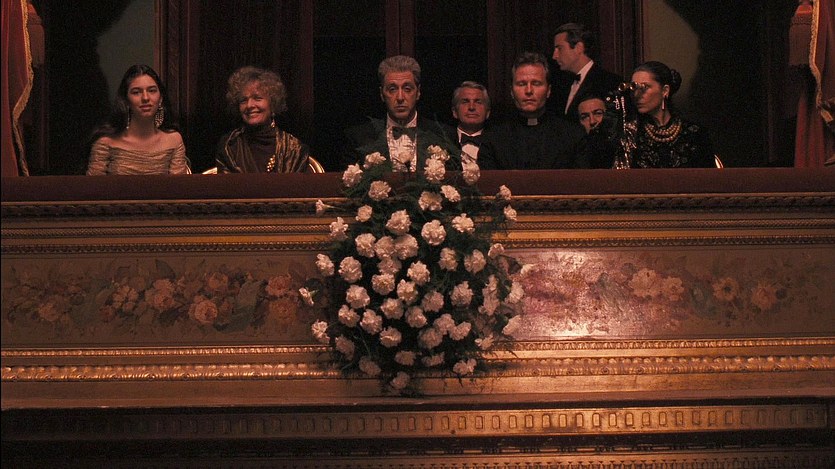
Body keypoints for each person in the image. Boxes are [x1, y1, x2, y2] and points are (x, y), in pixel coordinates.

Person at [343, 55, 456, 172]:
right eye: (392, 89)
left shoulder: (444, 135)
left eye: (407, 89)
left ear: (418, 92)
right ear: (381, 94)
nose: (400, 97)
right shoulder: (358, 138)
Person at [479, 52, 588, 170]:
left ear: (548, 91)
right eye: (521, 84)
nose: (529, 91)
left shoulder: (573, 136)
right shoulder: (493, 139)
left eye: (536, 83)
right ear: (511, 91)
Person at [86, 64, 190, 175]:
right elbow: (93, 185)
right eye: (136, 92)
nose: (145, 98)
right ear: (126, 100)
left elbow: (179, 185)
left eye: (152, 90)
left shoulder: (173, 140)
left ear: (160, 98)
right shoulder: (106, 142)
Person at [214, 66, 310, 173]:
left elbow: (295, 184)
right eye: (243, 100)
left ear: (272, 104)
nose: (249, 105)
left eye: (257, 98)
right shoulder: (229, 146)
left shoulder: (294, 149)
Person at [626, 61, 715, 168]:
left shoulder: (694, 134)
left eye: (644, 87)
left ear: (665, 90)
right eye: (634, 88)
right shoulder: (630, 134)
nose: (637, 95)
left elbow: (709, 175)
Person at [550, 23, 622, 123]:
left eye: (559, 48)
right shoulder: (561, 83)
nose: (554, 56)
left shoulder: (609, 82)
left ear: (579, 47)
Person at [451, 81, 490, 164]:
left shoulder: (499, 144)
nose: (471, 107)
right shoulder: (441, 141)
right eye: (465, 102)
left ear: (488, 112)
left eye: (478, 102)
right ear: (454, 112)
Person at [576, 93, 618, 169]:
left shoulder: (622, 146)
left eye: (598, 113)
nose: (592, 121)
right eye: (585, 117)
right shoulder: (576, 155)